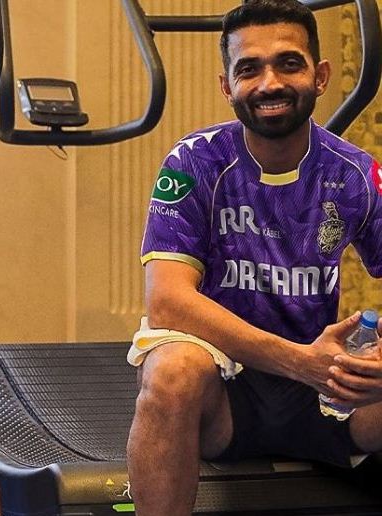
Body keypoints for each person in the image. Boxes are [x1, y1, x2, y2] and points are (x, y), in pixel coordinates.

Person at [125, 1, 382, 514]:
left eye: (288, 64)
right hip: (224, 388)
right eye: (249, 69)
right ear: (228, 87)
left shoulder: (355, 172)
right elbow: (168, 302)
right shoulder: (194, 162)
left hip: (324, 393)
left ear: (320, 76)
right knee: (172, 367)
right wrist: (300, 361)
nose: (270, 83)